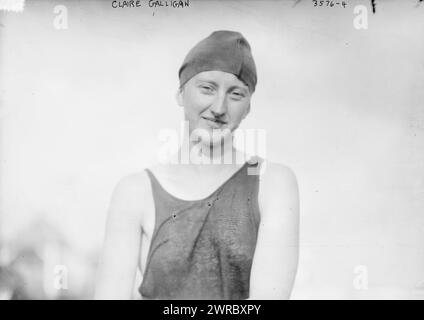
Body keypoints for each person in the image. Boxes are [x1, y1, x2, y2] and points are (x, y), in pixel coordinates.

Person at [94, 30, 299, 300]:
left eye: (236, 94)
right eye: (207, 88)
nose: (219, 107)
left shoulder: (271, 183)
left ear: (248, 107)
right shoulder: (135, 191)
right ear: (180, 94)